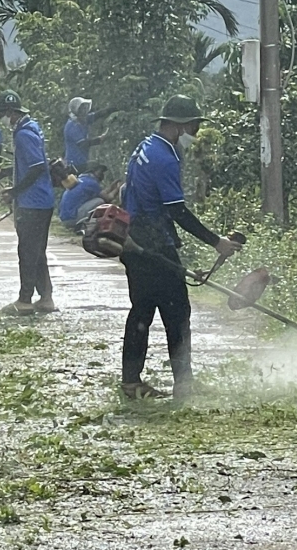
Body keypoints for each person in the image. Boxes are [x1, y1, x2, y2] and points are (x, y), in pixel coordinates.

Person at [119, 94, 244, 400]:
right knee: (177, 312)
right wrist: (218, 243)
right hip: (151, 243)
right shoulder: (165, 158)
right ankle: (184, 384)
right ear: (179, 126)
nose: (196, 133)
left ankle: (131, 381)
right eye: (195, 126)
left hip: (135, 237)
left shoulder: (145, 147)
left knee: (142, 311)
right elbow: (178, 210)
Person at [0, 89, 57, 314]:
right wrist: (5, 172)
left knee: (28, 252)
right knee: (37, 251)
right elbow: (29, 164)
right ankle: (46, 297)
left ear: (10, 112)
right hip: (40, 201)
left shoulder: (23, 134)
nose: (2, 119)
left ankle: (25, 300)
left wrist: (14, 191)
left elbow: (38, 167)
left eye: (2, 114)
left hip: (34, 202)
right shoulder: (30, 128)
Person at [58, 163, 119, 231]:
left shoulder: (83, 180)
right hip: (72, 220)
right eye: (100, 171)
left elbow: (102, 193)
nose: (102, 174)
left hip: (66, 219)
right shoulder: (92, 183)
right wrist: (118, 188)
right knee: (100, 201)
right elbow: (107, 198)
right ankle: (87, 226)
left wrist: (112, 186)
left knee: (98, 199)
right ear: (93, 171)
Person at [63, 97, 115, 171]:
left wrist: (111, 109)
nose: (85, 111)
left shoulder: (82, 119)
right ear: (77, 110)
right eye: (82, 109)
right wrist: (100, 139)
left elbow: (97, 115)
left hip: (82, 161)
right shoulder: (72, 125)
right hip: (75, 164)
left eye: (85, 108)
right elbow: (83, 144)